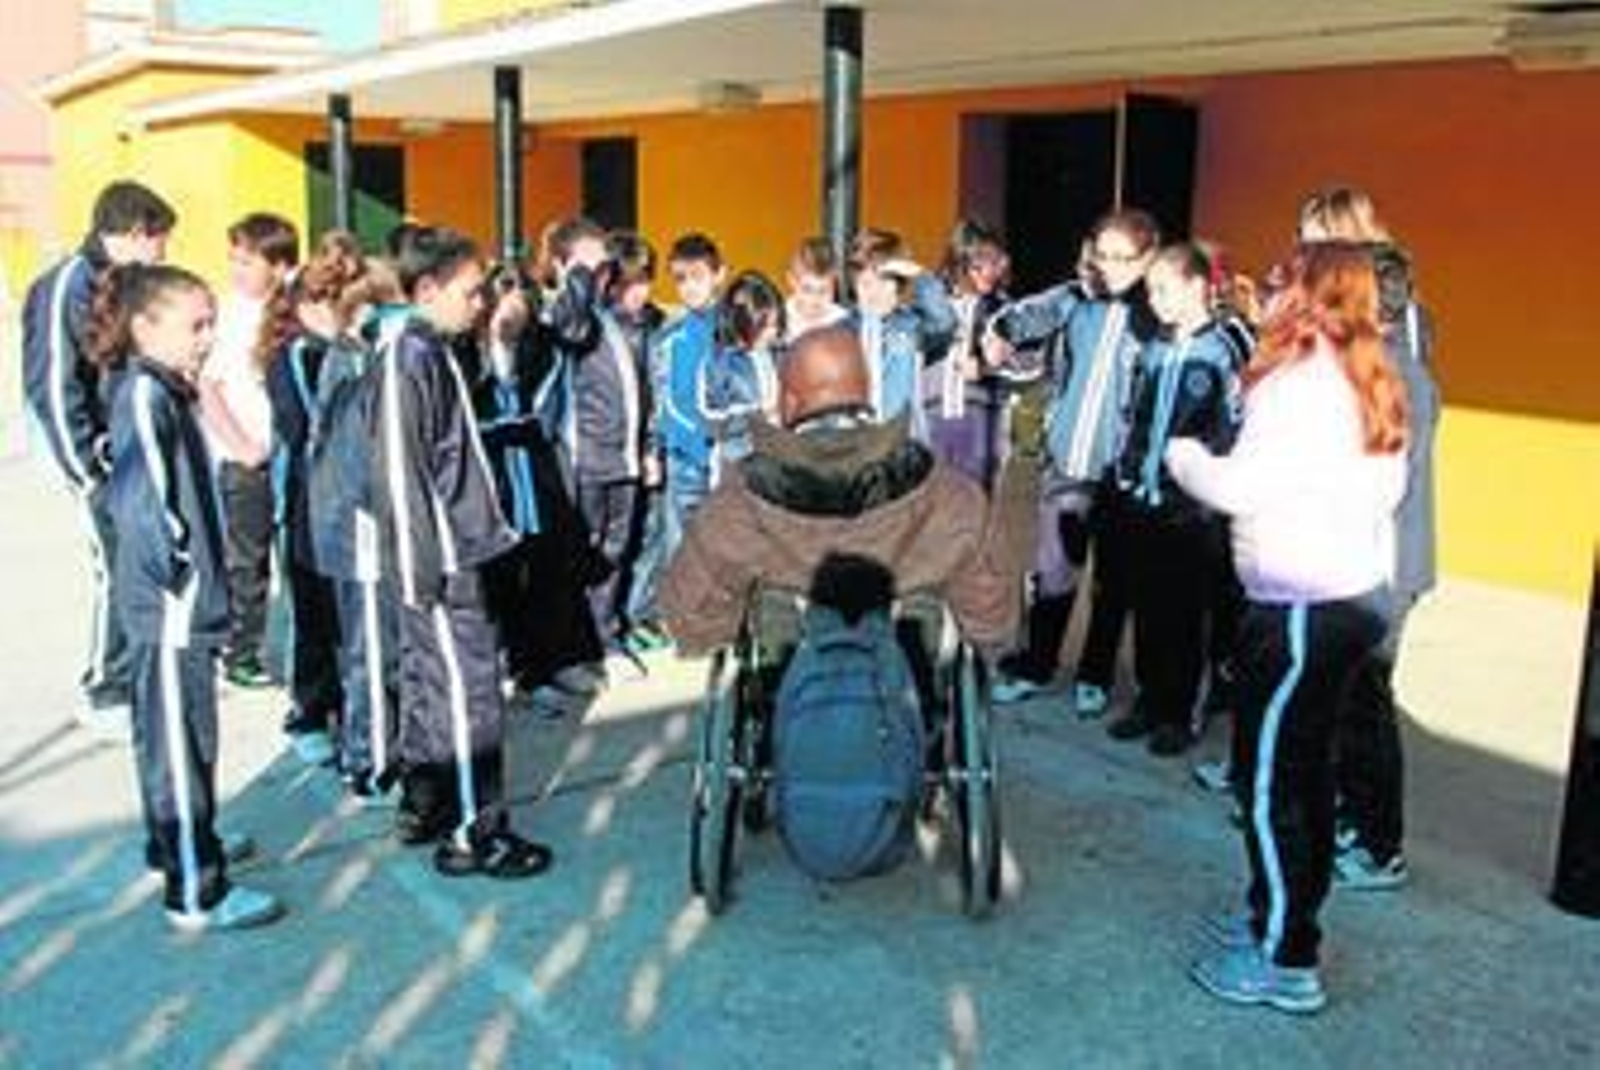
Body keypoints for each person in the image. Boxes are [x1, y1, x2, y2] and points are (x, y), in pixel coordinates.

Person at [1168, 242, 1408, 1014]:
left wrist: (1183, 457)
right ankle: (1275, 919)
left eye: (1277, 282)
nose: (1262, 294)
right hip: (1346, 600)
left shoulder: (1300, 384)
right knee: (1307, 775)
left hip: (1302, 609)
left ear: (1308, 297)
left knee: (1272, 783)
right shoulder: (1364, 374)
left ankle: (1285, 957)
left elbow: (1243, 485)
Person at [92, 262, 283, 930]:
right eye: (194, 325)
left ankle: (175, 843)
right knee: (182, 741)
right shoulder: (144, 397)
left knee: (171, 737)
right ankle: (197, 888)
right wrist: (189, 580)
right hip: (172, 612)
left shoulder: (165, 388)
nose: (206, 338)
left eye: (211, 323)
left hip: (175, 606)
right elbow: (144, 506)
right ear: (145, 327)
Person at [658, 326, 1034, 660]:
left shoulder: (741, 494)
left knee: (768, 617)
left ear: (788, 401)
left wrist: (706, 637)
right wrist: (994, 640)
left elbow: (693, 614)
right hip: (908, 696)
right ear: (866, 392)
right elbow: (992, 607)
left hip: (789, 695)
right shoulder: (944, 488)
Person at [375, 226, 553, 878]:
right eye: (470, 292)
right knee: (468, 693)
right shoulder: (407, 356)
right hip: (445, 561)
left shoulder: (436, 348)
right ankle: (477, 833)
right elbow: (398, 469)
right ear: (427, 289)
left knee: (434, 685)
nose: (480, 303)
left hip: (459, 548)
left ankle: (428, 803)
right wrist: (423, 569)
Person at [1298, 186, 1440, 892]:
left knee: (1364, 704)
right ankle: (1347, 816)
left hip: (1377, 567)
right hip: (1358, 561)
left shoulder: (1393, 378)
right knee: (1343, 699)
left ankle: (1379, 844)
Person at [984, 209, 1161, 711]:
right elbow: (1013, 318)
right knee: (1053, 572)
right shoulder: (1074, 298)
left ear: (1148, 257)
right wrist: (998, 337)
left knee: (1113, 585)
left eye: (1122, 258)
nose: (1109, 267)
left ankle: (1096, 676)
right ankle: (1037, 665)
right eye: (1102, 254)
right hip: (1066, 466)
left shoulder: (1156, 314)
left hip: (1121, 475)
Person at [21, 180, 176, 740]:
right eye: (161, 240)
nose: (164, 253)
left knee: (133, 564)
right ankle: (104, 687)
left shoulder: (122, 281)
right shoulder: (70, 285)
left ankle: (130, 676)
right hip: (94, 461)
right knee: (112, 567)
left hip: (126, 454)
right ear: (136, 232)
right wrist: (86, 469)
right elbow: (54, 385)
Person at [1103, 241, 1243, 756]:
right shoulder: (1155, 346)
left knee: (1186, 616)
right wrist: (1127, 475)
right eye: (1151, 290)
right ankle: (1147, 700)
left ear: (1198, 287)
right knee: (1148, 608)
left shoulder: (1221, 351)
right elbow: (1135, 417)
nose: (1155, 300)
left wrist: (1207, 492)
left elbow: (1229, 430)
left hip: (1191, 510)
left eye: (1164, 289)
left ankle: (1180, 712)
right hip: (1142, 498)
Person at [296, 234, 405, 801]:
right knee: (369, 650)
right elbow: (354, 457)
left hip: (365, 526)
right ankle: (370, 764)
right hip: (360, 530)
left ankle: (377, 748)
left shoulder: (361, 356)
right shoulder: (358, 360)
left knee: (378, 646)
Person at [202, 212, 300, 689]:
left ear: (280, 267)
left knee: (295, 557)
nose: (236, 270)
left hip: (289, 456)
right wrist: (241, 446)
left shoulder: (294, 311)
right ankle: (241, 651)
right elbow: (208, 387)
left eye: (247, 261)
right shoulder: (226, 315)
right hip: (246, 460)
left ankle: (298, 646)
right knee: (247, 561)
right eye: (234, 260)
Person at [654, 232, 726, 559]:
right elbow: (660, 398)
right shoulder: (668, 337)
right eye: (681, 279)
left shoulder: (736, 331)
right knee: (680, 550)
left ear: (719, 274)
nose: (689, 287)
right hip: (682, 458)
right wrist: (655, 449)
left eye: (697, 277)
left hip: (725, 458)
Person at [928, 219, 1012, 488]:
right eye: (978, 265)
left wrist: (988, 367)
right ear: (958, 261)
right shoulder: (932, 305)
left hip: (981, 425)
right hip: (932, 420)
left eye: (995, 262)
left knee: (975, 507)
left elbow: (1029, 364)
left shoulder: (1005, 310)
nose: (989, 272)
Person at [845, 228, 957, 430]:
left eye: (884, 282)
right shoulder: (843, 329)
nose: (874, 292)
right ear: (854, 285)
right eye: (865, 284)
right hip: (856, 443)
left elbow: (944, 322)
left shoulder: (911, 326)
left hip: (903, 439)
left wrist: (919, 274)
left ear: (899, 285)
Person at [700, 269, 785, 479]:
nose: (772, 333)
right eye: (764, 326)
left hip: (775, 465)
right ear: (743, 322)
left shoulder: (779, 354)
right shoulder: (720, 363)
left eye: (776, 324)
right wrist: (759, 414)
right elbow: (711, 421)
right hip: (735, 468)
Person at [783, 236, 849, 341]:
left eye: (824, 291)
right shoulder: (780, 321)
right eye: (807, 290)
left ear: (835, 284)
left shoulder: (844, 322)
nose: (815, 299)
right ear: (791, 281)